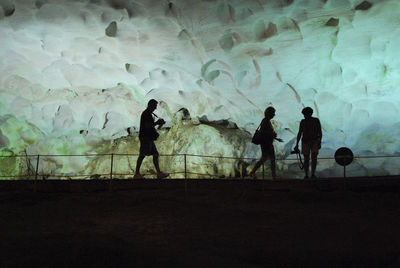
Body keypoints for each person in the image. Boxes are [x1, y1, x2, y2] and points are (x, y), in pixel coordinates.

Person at [134, 99, 169, 179]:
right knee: (142, 155)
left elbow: (150, 126)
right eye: (154, 106)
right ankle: (136, 174)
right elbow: (147, 126)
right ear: (150, 105)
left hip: (148, 137)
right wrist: (157, 123)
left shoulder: (148, 114)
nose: (155, 108)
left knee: (155, 154)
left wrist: (158, 124)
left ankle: (158, 173)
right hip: (145, 137)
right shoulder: (146, 114)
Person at [249, 106, 283, 179]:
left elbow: (266, 132)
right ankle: (273, 176)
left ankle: (252, 172)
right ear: (269, 113)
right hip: (266, 143)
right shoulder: (265, 121)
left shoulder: (266, 120)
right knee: (271, 159)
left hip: (266, 143)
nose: (274, 114)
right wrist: (272, 134)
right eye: (273, 113)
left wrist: (276, 138)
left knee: (264, 158)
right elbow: (264, 132)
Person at [294, 107, 322, 179]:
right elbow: (300, 133)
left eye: (305, 114)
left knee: (309, 158)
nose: (304, 116)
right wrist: (319, 141)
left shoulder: (306, 121)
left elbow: (300, 133)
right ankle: (309, 174)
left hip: (310, 141)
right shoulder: (313, 121)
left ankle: (309, 174)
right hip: (310, 141)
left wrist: (319, 141)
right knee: (311, 158)